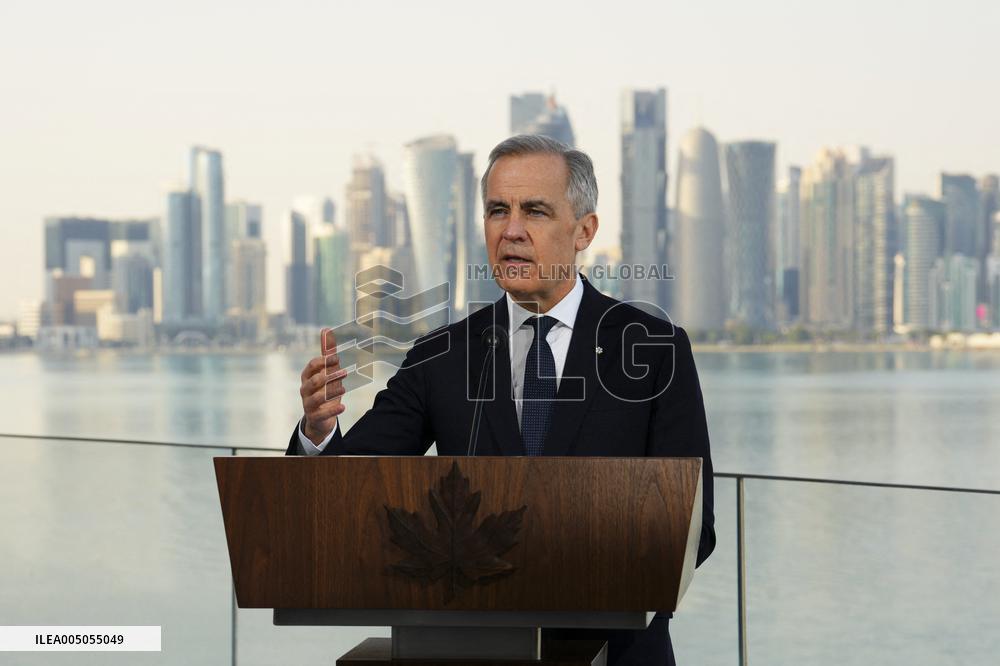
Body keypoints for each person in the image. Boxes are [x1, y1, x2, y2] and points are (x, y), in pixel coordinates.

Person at [287, 134, 715, 665]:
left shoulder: (652, 348)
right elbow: (347, 492)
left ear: (584, 230)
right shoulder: (440, 356)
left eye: (534, 210)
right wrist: (318, 432)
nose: (511, 230)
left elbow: (695, 527)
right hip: (473, 650)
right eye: (497, 211)